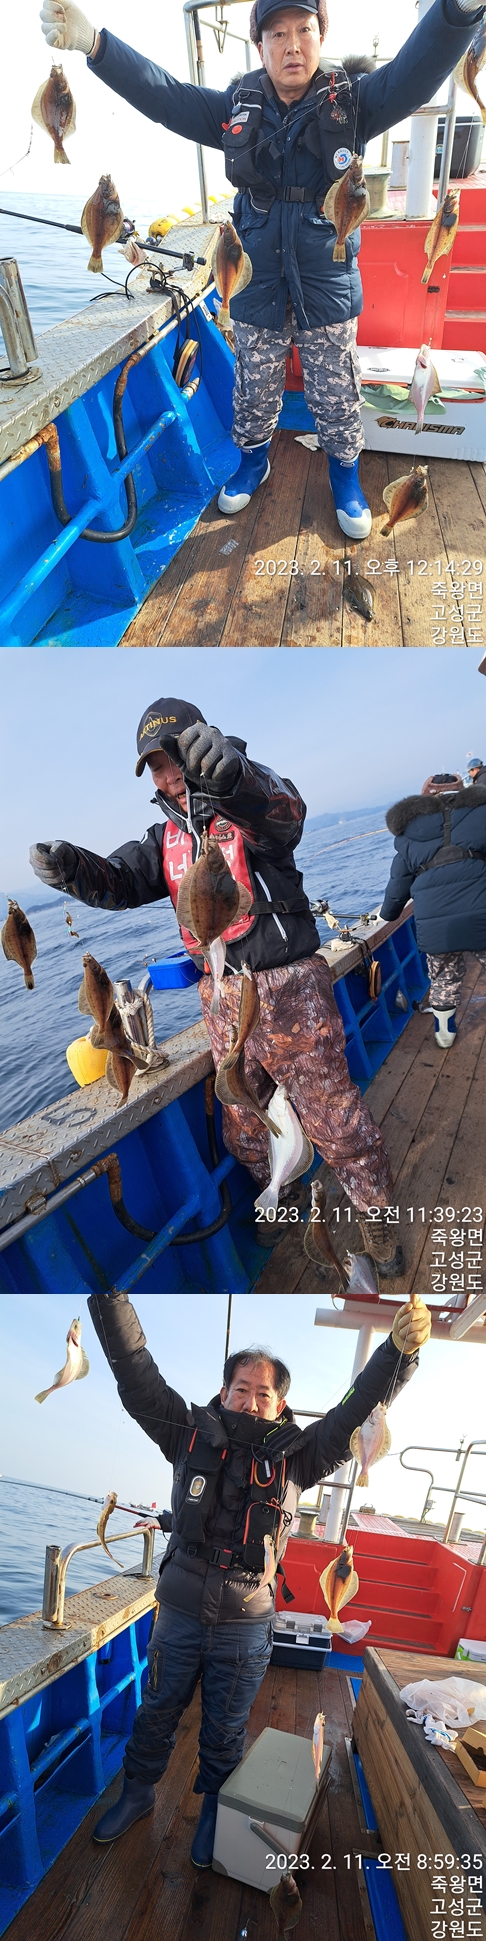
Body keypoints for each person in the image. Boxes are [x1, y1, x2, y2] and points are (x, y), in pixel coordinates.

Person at [39, 0, 483, 543]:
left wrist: (457, 14)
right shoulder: (236, 108)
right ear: (261, 46)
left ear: (322, 35)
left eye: (303, 30)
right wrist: (97, 46)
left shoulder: (356, 102)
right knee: (254, 387)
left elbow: (416, 73)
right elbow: (165, 97)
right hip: (254, 280)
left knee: (336, 392)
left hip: (327, 280)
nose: (292, 45)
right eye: (277, 34)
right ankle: (253, 462)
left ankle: (345, 477)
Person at [30, 695, 401, 1280]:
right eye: (155, 766)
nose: (169, 773)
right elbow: (120, 879)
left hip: (288, 986)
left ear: (202, 741)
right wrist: (72, 867)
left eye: (174, 755)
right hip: (219, 992)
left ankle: (377, 1221)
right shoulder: (164, 838)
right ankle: (280, 1196)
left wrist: (235, 778)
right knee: (242, 1120)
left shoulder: (252, 798)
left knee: (336, 1117)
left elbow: (284, 814)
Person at [86, 1288, 431, 1864]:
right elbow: (136, 1373)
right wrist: (109, 1297)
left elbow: (356, 1410)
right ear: (223, 1393)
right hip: (177, 1614)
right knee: (156, 1712)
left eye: (262, 1394)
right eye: (240, 1389)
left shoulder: (302, 1455)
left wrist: (399, 1353)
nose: (249, 1401)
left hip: (246, 1625)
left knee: (224, 1730)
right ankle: (138, 1792)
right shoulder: (184, 1432)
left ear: (280, 1406)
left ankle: (216, 1809)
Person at [380, 772, 486, 1049]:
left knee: (443, 978)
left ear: (425, 795)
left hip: (436, 927)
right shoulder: (481, 815)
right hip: (481, 912)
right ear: (462, 789)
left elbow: (397, 887)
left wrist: (389, 914)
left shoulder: (407, 836)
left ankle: (444, 1033)